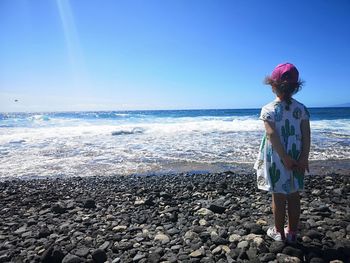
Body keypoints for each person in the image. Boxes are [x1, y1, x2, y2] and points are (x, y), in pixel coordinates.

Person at [254, 62, 311, 242]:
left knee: (278, 197)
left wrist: (284, 158)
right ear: (296, 87)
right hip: (297, 155)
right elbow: (306, 135)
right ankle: (292, 233)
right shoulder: (301, 108)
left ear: (273, 85)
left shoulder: (268, 109)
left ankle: (279, 232)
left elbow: (271, 134)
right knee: (294, 196)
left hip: (278, 158)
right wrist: (303, 158)